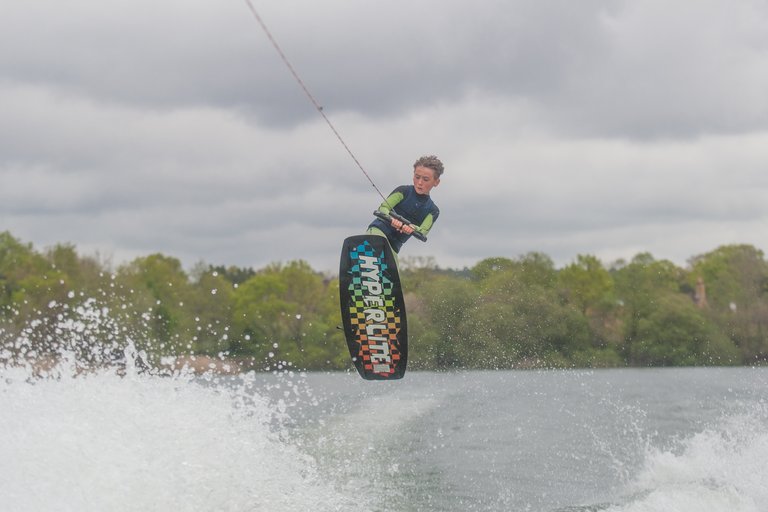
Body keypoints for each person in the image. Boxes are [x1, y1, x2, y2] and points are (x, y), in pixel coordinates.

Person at [367, 155, 443, 253]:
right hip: (378, 233)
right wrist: (393, 219)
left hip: (394, 245)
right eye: (417, 177)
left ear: (436, 182)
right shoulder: (403, 191)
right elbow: (383, 208)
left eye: (425, 179)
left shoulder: (433, 211)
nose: (420, 182)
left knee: (391, 263)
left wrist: (411, 227)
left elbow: (423, 231)